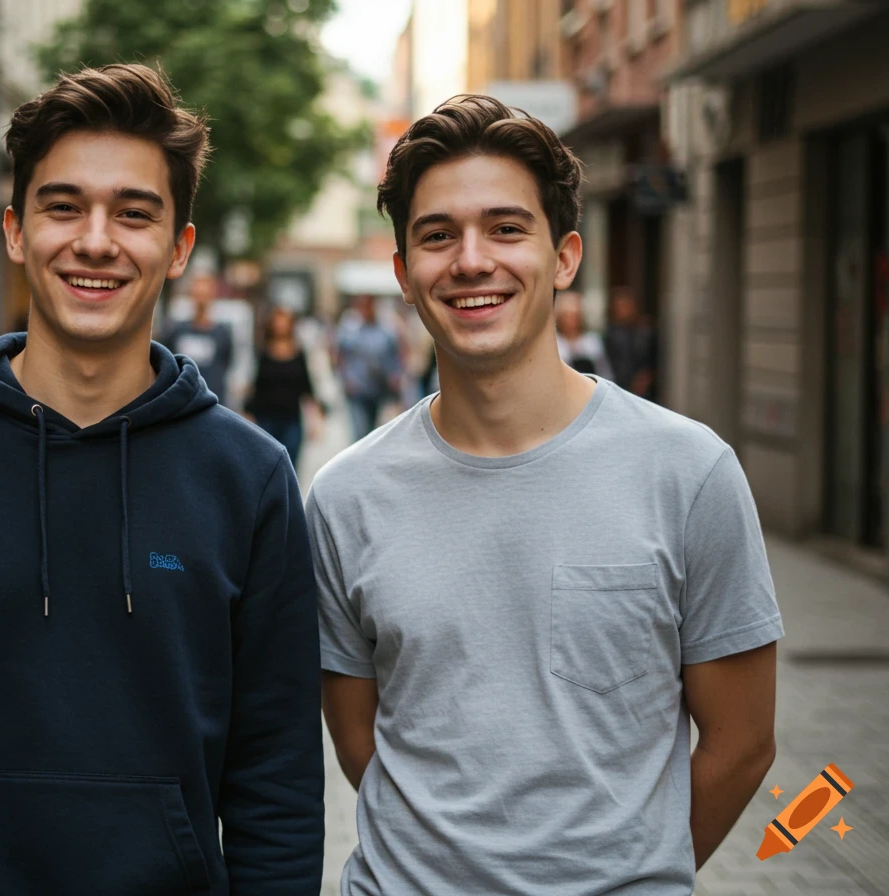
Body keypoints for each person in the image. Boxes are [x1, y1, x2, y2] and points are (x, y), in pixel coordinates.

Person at [0, 64, 324, 895]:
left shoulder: (249, 480)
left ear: (179, 246)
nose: (96, 241)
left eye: (134, 213)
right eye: (63, 206)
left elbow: (276, 784)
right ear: (14, 230)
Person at [310, 95, 783, 895]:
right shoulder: (344, 497)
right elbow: (361, 744)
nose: (470, 260)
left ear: (564, 257)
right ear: (403, 273)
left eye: (505, 228)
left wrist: (626, 874)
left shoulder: (688, 472)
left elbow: (741, 745)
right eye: (437, 235)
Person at [244, 305, 324, 467]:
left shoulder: (298, 353)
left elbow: (306, 386)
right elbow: (255, 386)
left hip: (292, 419)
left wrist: (315, 417)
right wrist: (247, 413)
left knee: (290, 465)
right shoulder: (263, 353)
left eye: (285, 321)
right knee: (268, 465)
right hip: (266, 418)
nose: (281, 325)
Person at [334, 293, 401, 441]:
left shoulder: (385, 329)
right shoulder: (349, 328)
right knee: (360, 430)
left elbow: (394, 354)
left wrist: (395, 376)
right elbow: (340, 355)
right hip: (357, 388)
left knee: (372, 430)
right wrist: (345, 379)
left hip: (377, 388)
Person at [161, 271, 235, 404]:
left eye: (205, 295)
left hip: (213, 401)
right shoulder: (177, 330)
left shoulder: (222, 333)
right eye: (198, 294)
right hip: (182, 400)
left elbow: (227, 363)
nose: (201, 300)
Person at [605, 285, 658, 400]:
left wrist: (643, 380)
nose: (621, 310)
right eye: (618, 306)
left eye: (624, 306)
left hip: (643, 390)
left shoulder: (645, 331)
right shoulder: (611, 333)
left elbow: (652, 360)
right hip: (617, 385)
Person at [555, 289, 613, 379]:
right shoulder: (555, 343)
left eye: (575, 315)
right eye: (568, 316)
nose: (572, 320)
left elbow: (604, 371)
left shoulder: (592, 341)